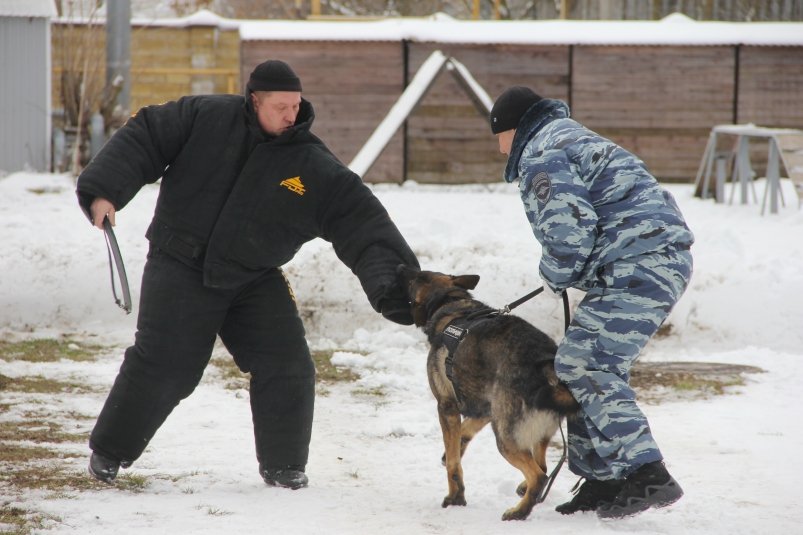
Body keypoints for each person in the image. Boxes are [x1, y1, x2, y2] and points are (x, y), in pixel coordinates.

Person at [76, 59, 419, 490]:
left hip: (253, 275)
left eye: (296, 106)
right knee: (168, 364)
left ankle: (284, 466)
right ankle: (110, 451)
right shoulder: (206, 117)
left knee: (288, 362)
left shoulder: (311, 164)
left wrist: (396, 286)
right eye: (280, 106)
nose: (291, 115)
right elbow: (146, 134)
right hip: (180, 260)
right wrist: (104, 191)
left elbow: (362, 222)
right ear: (253, 100)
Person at [489, 86, 694, 519]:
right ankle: (603, 478)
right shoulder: (565, 136)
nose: (498, 148)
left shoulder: (541, 152)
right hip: (646, 260)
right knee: (579, 363)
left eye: (497, 137)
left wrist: (554, 275)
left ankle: (646, 472)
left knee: (586, 365)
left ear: (510, 130)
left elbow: (568, 231)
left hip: (640, 263)